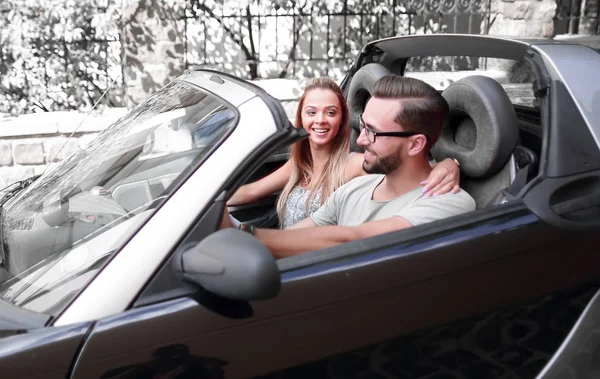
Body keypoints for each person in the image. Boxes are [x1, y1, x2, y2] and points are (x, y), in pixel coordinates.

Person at [221, 75, 476, 257]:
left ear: (415, 144)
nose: (361, 139)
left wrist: (240, 235)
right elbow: (293, 238)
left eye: (373, 132)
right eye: (363, 125)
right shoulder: (355, 189)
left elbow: (352, 240)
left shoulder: (448, 202)